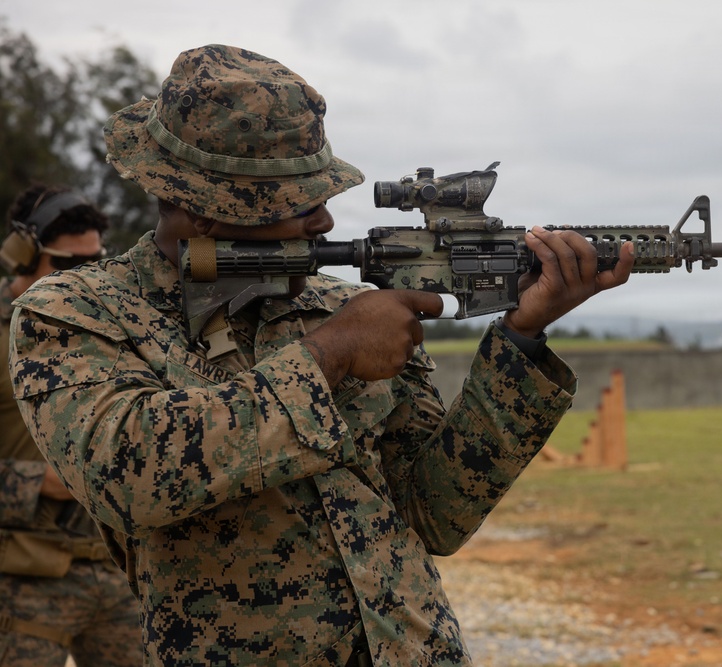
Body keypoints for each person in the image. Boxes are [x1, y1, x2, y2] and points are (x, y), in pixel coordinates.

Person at [8, 44, 634, 667]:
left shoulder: (347, 307)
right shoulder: (75, 313)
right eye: (295, 202)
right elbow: (129, 477)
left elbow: (435, 511)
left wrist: (521, 341)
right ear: (199, 208)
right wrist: (328, 355)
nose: (325, 220)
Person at [0, 185, 142, 666]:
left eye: (94, 262)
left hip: (120, 573)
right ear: (22, 257)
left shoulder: (121, 330)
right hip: (23, 578)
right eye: (65, 265)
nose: (82, 279)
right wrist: (33, 482)